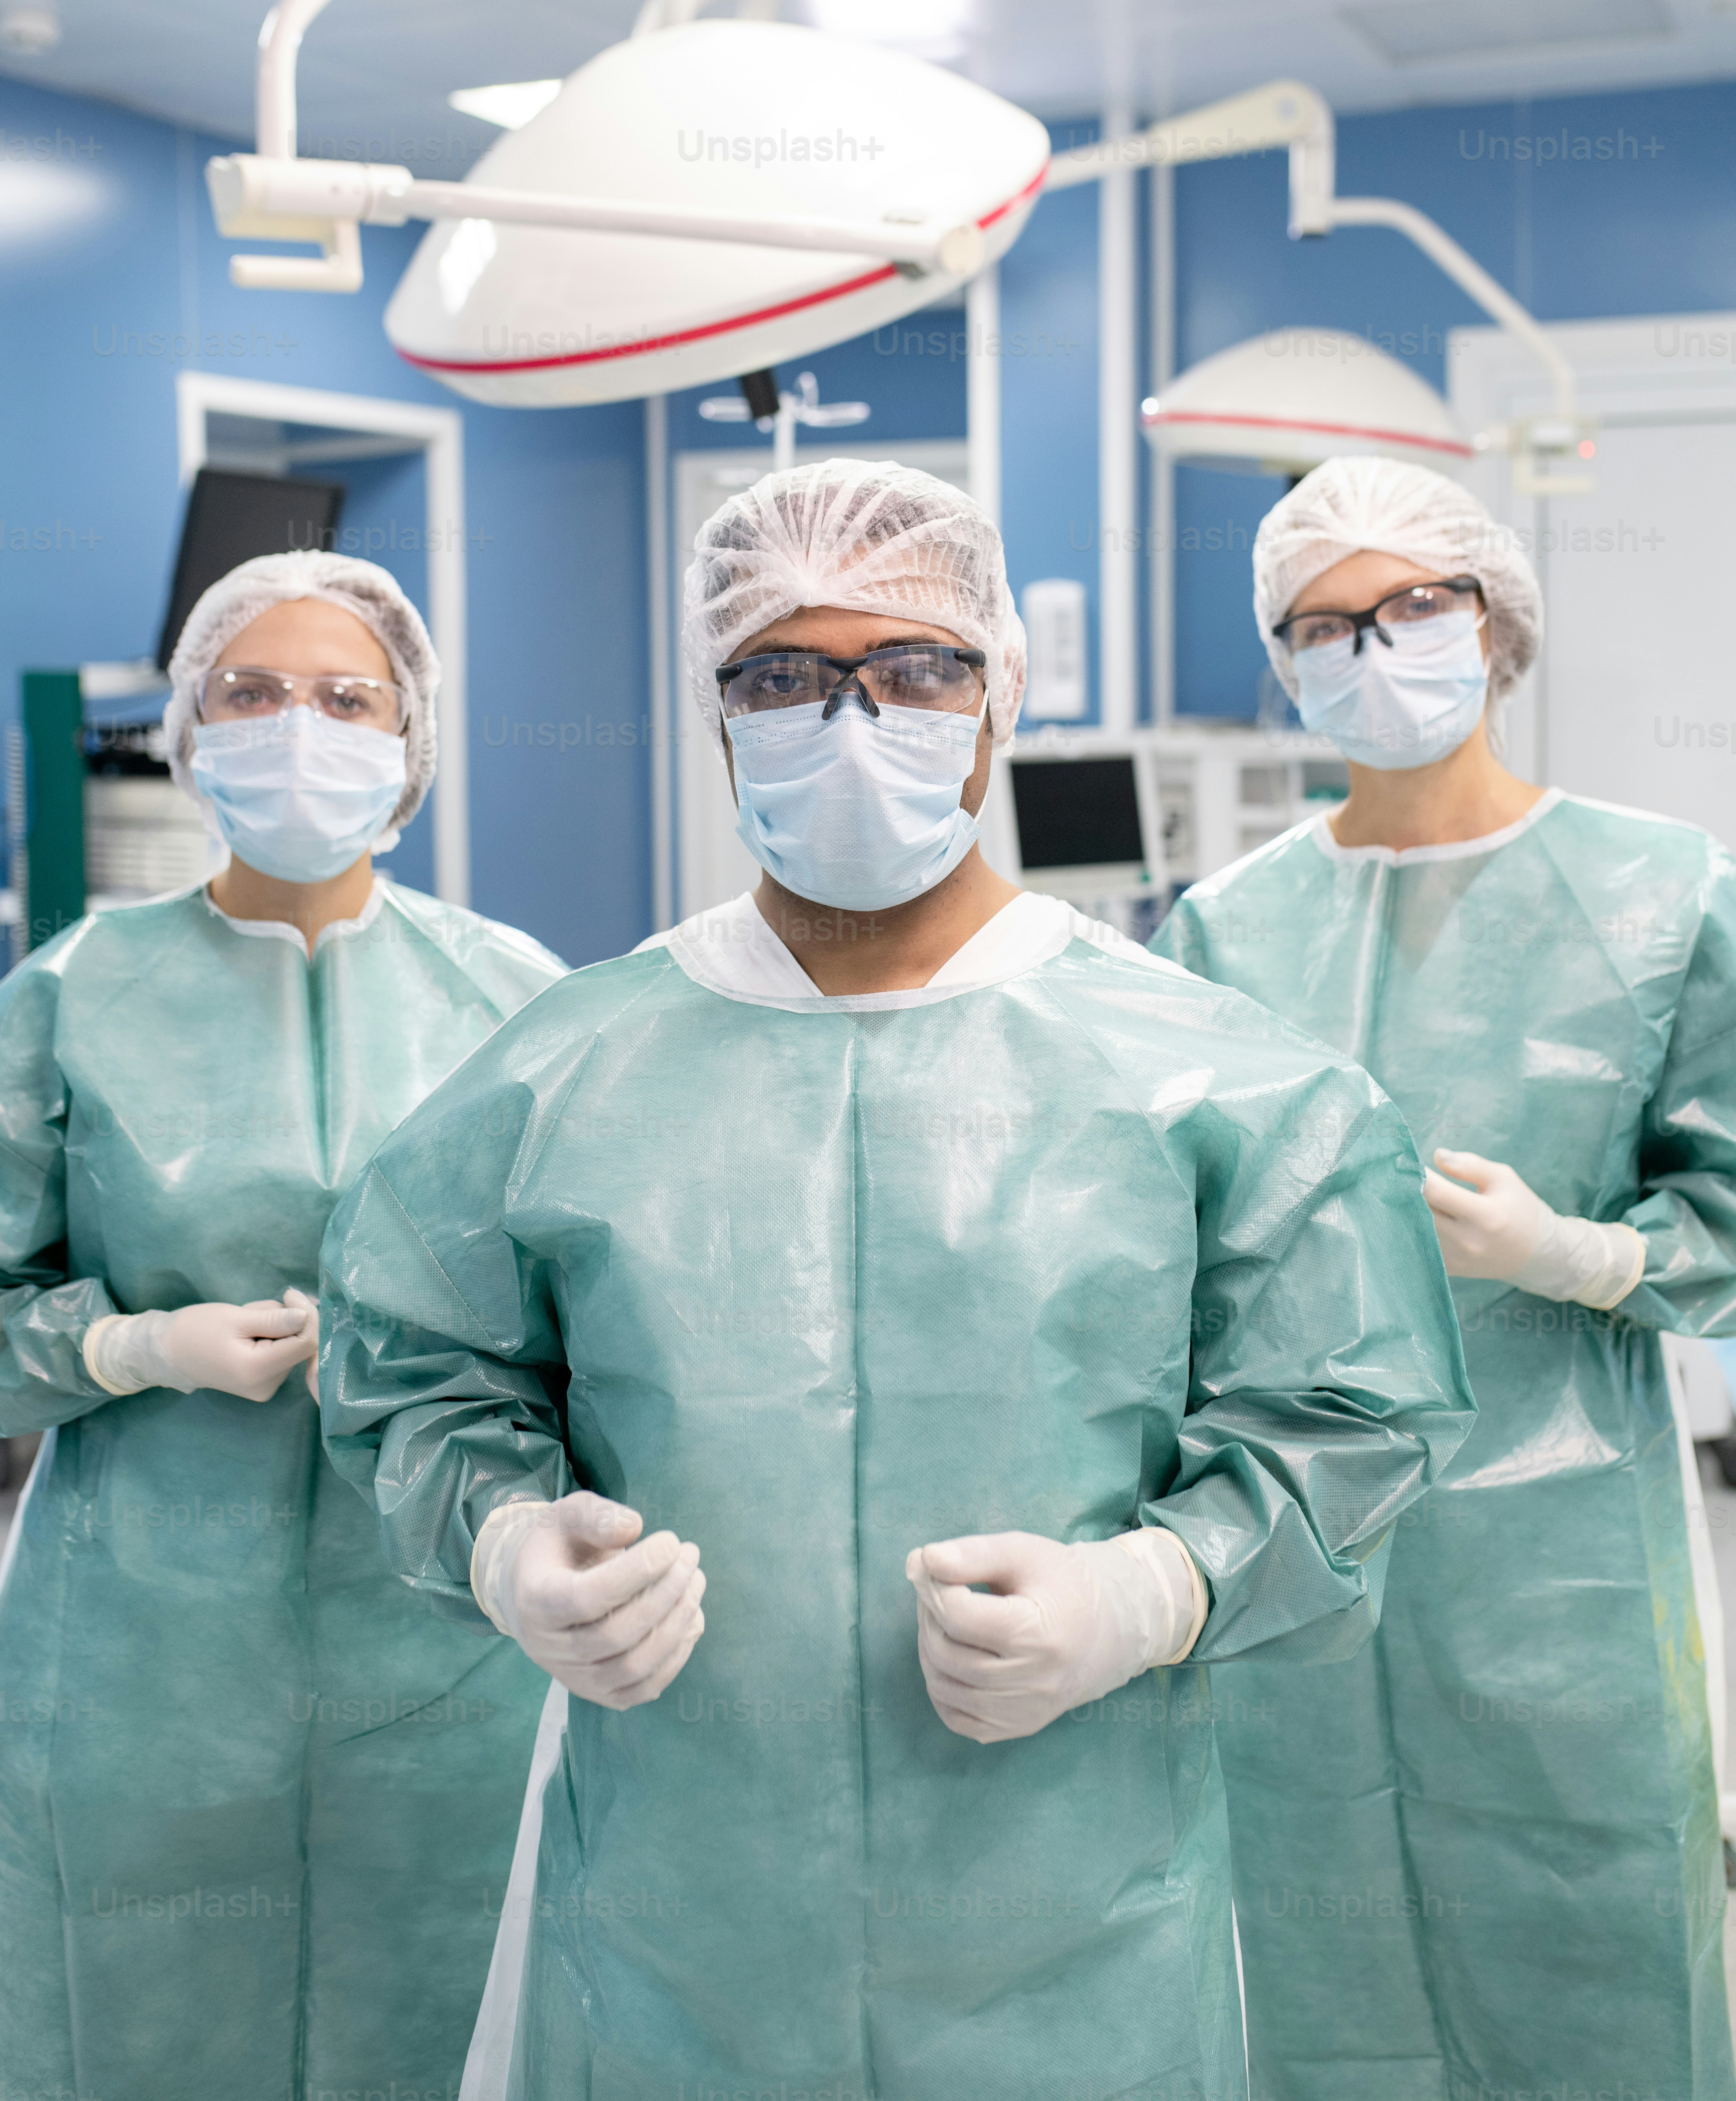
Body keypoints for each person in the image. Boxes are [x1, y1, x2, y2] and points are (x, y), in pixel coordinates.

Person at [320, 458, 1475, 2101]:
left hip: (1079, 1941)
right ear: (719, 717)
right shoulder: (564, 1072)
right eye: (783, 676)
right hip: (673, 1936)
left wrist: (1151, 1594)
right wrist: (510, 1541)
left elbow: (1350, 1419)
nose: (850, 721)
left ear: (1001, 693)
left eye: (914, 671)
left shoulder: (1212, 1080)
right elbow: (418, 1369)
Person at [1156, 454, 1736, 2101]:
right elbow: (1176, 1250)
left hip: (1561, 1572)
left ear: (1494, 621)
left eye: (1413, 603)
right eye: (1323, 623)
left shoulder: (1663, 893)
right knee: (1315, 1947)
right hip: (1296, 1557)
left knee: (1592, 1943)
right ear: (1284, 658)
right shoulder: (1227, 929)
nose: (1372, 646)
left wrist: (1575, 1250)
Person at [0, 550, 565, 2099]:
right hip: (139, 1644)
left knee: (436, 1999)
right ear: (188, 729)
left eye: (344, 697)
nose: (296, 728)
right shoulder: (75, 994)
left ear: (411, 739)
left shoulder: (510, 997)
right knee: (139, 2005)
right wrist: (127, 1349)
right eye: (249, 693)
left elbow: (595, 1308)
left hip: (442, 1631)